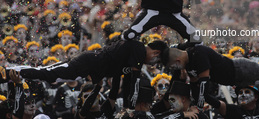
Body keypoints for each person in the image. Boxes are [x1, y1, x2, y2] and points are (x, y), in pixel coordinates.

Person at [0, 40, 168, 112]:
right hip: (87, 63)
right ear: (155, 52)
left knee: (50, 74)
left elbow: (118, 76)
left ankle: (9, 71)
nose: (152, 64)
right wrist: (131, 106)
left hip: (88, 66)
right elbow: (135, 82)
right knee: (49, 73)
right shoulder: (138, 49)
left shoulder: (131, 56)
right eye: (156, 59)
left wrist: (111, 100)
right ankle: (7, 71)